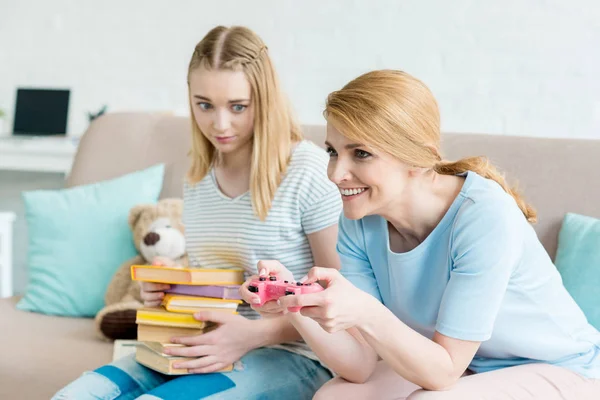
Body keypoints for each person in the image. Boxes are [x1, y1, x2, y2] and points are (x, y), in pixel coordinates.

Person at [243, 70, 600, 399]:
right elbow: (359, 366)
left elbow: (444, 371)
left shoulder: (483, 216)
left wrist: (366, 311)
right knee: (335, 396)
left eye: (361, 154)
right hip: (469, 368)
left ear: (417, 159)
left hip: (562, 369)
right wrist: (296, 302)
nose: (337, 173)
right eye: (333, 151)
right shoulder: (359, 220)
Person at [52, 25, 341, 400]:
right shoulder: (199, 175)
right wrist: (171, 288)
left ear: (264, 98)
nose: (220, 125)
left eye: (238, 106)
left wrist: (253, 333)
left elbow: (340, 299)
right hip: (201, 344)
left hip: (292, 356)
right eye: (204, 105)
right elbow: (217, 284)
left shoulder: (310, 172)